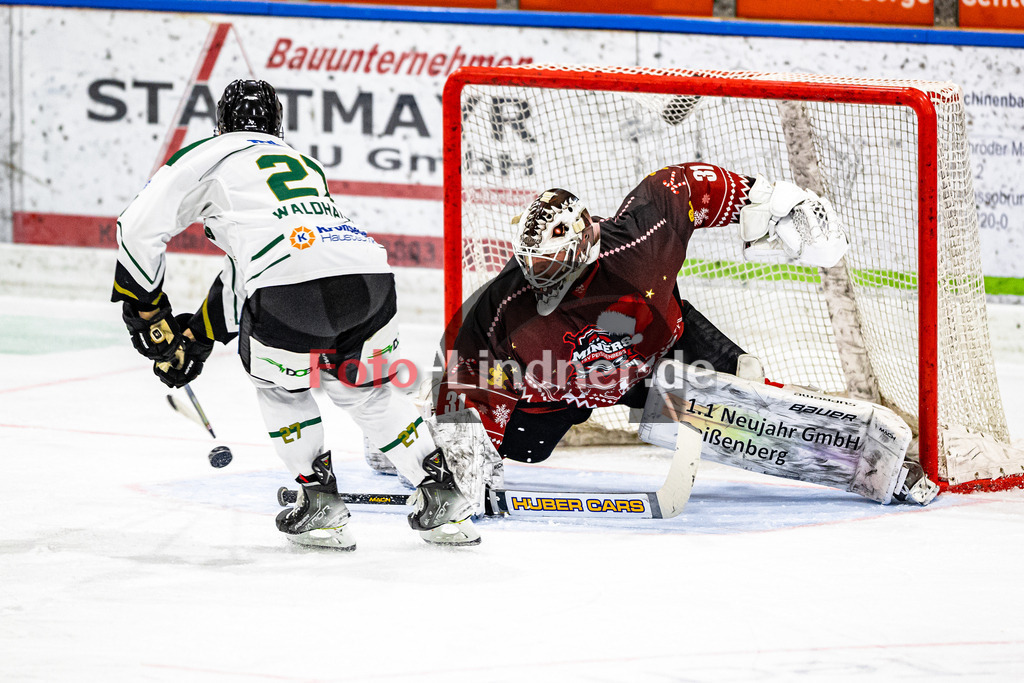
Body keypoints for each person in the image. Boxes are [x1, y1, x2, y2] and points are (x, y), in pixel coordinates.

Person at [112, 79, 480, 550]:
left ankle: (320, 506)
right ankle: (442, 497)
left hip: (289, 285)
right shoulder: (304, 164)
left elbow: (136, 227)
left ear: (221, 123)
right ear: (278, 124)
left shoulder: (211, 152)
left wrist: (145, 312)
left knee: (281, 390)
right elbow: (248, 271)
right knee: (364, 391)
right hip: (368, 276)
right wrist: (198, 337)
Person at [427, 162, 932, 505]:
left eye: (551, 265)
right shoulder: (503, 306)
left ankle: (863, 463)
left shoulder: (639, 242)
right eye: (531, 266)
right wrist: (465, 452)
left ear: (585, 244)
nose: (539, 279)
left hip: (658, 354)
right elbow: (463, 370)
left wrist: (777, 199)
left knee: (745, 394)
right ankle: (414, 435)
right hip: (559, 391)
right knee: (524, 452)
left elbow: (682, 184)